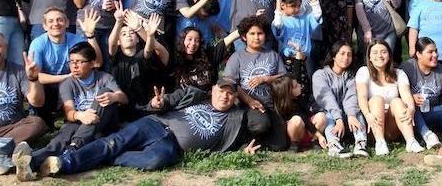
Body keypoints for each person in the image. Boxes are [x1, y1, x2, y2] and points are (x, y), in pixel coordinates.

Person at [13, 79, 258, 181]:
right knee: (113, 143)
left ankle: (105, 155)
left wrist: (242, 152)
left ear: (235, 97)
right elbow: (167, 101)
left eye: (230, 93)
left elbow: (236, 141)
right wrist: (158, 103)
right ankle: (60, 164)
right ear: (213, 90)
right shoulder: (195, 96)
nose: (225, 96)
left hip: (171, 145)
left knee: (155, 161)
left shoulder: (234, 120)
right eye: (221, 91)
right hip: (155, 125)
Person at [27, 42, 127, 168]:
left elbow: (124, 98)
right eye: (71, 62)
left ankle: (74, 147)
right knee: (61, 139)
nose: (74, 66)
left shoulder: (104, 78)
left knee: (105, 92)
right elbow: (69, 113)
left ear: (92, 63)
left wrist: (114, 97)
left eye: (79, 62)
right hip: (78, 123)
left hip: (103, 125)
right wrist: (80, 115)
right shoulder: (67, 83)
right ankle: (30, 162)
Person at [28, 7, 103, 127]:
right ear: (44, 26)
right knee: (36, 86)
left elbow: (96, 63)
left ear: (67, 23)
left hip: (71, 84)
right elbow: (36, 76)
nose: (55, 24)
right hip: (48, 86)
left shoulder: (76, 40)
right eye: (51, 21)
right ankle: (42, 117)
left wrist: (90, 36)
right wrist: (66, 77)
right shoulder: (38, 44)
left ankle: (74, 115)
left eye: (60, 20)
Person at [225, 15, 289, 150]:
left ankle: (261, 142)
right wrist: (249, 101)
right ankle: (246, 141)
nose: (256, 37)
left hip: (270, 105)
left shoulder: (273, 55)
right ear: (244, 37)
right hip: (248, 106)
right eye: (252, 34)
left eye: (260, 33)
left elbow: (284, 77)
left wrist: (267, 79)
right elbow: (231, 83)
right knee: (260, 125)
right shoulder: (237, 57)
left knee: (280, 145)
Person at [356, 40, 424, 155]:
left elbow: (406, 95)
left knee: (397, 101)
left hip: (393, 125)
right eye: (375, 53)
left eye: (383, 52)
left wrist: (411, 108)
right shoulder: (364, 71)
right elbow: (361, 96)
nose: (379, 56)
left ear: (389, 56)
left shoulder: (399, 73)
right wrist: (367, 114)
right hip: (373, 123)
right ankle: (380, 143)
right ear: (369, 57)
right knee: (377, 99)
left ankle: (411, 141)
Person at [108, 8, 169, 121]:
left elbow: (148, 50)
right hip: (121, 109)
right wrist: (119, 21)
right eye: (123, 34)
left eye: (132, 33)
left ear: (137, 39)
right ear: (119, 41)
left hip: (142, 108)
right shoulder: (116, 57)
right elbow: (112, 45)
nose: (128, 35)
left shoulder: (141, 55)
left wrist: (150, 35)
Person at [400, 38, 442, 149]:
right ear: (418, 54)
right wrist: (411, 98)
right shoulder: (407, 68)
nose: (435, 55)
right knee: (412, 105)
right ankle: (428, 136)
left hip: (433, 110)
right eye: (430, 52)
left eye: (436, 51)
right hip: (414, 115)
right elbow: (396, 92)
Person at [312, 42, 369, 157]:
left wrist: (351, 115)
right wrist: (338, 119)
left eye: (349, 54)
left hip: (346, 116)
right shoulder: (320, 75)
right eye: (342, 53)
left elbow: (351, 97)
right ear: (333, 56)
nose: (346, 57)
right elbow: (327, 99)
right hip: (327, 115)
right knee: (328, 114)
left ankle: (360, 143)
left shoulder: (352, 76)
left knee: (356, 112)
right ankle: (333, 145)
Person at [273, 0, 322, 98]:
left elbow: (317, 15)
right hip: (288, 60)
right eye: (293, 6)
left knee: (307, 86)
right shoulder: (281, 20)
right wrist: (278, 3)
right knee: (290, 88)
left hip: (305, 59)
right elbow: (277, 25)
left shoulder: (304, 19)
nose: (297, 9)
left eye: (299, 6)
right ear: (283, 5)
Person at [170, 26, 239, 92]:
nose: (193, 43)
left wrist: (243, 28)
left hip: (209, 98)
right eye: (190, 39)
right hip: (184, 99)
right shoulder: (174, 60)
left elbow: (228, 40)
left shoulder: (207, 56)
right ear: (183, 40)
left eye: (197, 41)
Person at [271, 76, 327, 152]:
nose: (300, 85)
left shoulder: (300, 98)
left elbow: (308, 117)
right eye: (296, 86)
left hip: (308, 131)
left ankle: (315, 141)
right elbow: (304, 119)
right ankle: (294, 144)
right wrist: (319, 135)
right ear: (288, 92)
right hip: (295, 133)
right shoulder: (284, 107)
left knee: (321, 116)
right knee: (296, 120)